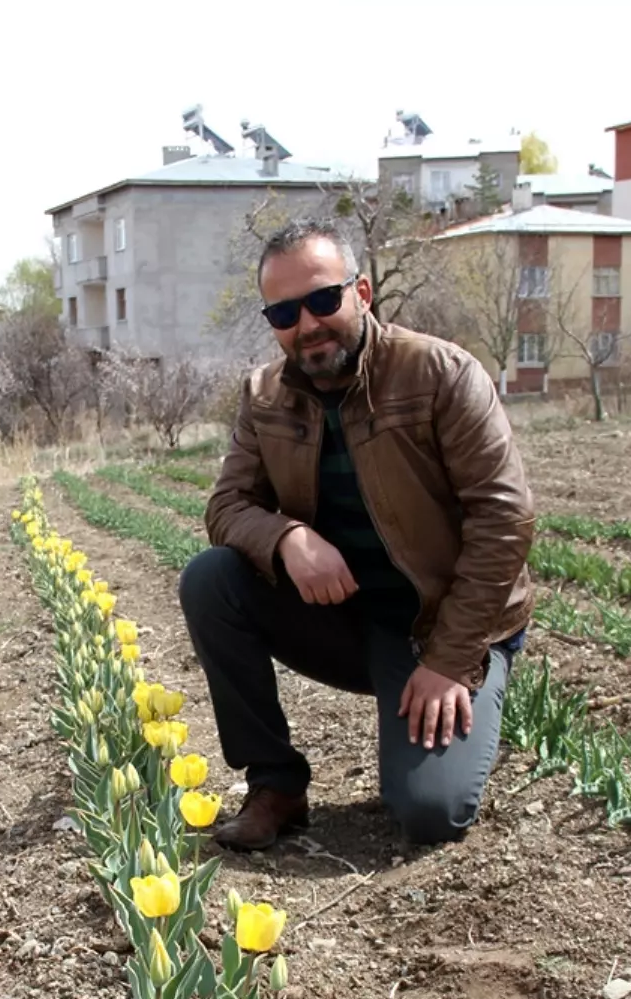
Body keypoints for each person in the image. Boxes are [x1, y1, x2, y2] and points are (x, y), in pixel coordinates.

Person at [178, 218, 535, 851]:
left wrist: (451, 661)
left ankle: (464, 700)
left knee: (430, 813)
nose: (307, 324)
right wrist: (289, 537)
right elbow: (228, 505)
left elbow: (503, 518)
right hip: (344, 619)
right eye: (285, 312)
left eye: (322, 299)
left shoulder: (440, 375)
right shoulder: (264, 396)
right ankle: (276, 785)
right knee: (211, 580)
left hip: (438, 627)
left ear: (361, 292)